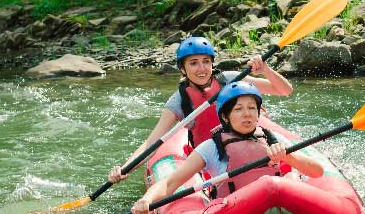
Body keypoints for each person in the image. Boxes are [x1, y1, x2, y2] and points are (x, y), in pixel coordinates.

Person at [109, 36, 293, 184]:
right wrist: (125, 168)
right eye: (194, 63)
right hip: (214, 158)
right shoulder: (179, 102)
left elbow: (285, 90)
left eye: (206, 61)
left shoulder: (231, 80)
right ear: (183, 69)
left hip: (253, 144)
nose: (201, 68)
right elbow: (153, 143)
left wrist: (266, 70)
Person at [131, 81, 323, 214]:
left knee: (291, 178)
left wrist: (288, 157)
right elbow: (170, 183)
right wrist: (146, 200)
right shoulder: (212, 147)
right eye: (238, 109)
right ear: (225, 116)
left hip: (277, 205)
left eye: (251, 108)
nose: (247, 114)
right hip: (233, 213)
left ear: (258, 113)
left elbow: (317, 171)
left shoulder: (272, 138)